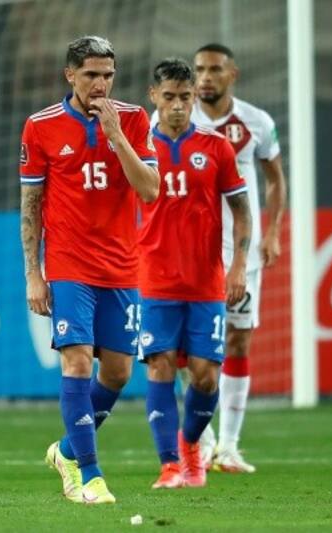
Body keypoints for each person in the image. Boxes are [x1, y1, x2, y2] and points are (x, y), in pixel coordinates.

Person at [20, 36, 159, 504]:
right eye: (91, 75)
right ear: (70, 76)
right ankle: (90, 476)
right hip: (69, 264)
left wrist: (117, 136)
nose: (100, 84)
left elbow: (150, 191)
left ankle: (65, 450)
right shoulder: (40, 127)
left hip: (122, 267)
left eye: (108, 75)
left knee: (117, 373)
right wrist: (33, 274)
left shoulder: (135, 120)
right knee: (76, 359)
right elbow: (31, 204)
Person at [139, 58, 251, 489]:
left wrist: (238, 266)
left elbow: (242, 212)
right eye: (169, 98)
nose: (178, 107)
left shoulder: (217, 146)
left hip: (206, 281)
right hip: (153, 278)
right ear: (154, 97)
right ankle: (171, 465)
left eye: (185, 98)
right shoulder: (137, 148)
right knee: (160, 366)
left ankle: (191, 446)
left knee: (205, 375)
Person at [192, 43, 287, 473]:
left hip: (239, 253)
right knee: (183, 350)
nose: (205, 77)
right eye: (199, 69)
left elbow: (274, 180)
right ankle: (202, 439)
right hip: (187, 251)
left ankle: (228, 445)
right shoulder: (173, 117)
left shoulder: (257, 122)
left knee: (237, 340)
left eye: (214, 69)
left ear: (234, 74)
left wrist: (272, 232)